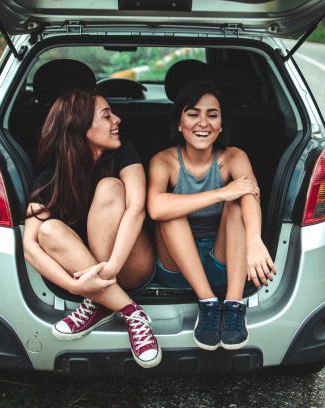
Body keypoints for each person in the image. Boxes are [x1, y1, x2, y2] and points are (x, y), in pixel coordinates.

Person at [23, 88, 161, 368]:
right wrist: (76, 285)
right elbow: (30, 246)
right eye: (107, 115)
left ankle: (99, 301)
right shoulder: (51, 175)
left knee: (110, 187)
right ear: (81, 127)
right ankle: (130, 312)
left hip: (131, 263)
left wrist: (109, 271)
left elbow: (137, 210)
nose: (117, 120)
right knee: (47, 231)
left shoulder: (125, 153)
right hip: (87, 276)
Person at [147, 80, 276, 351]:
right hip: (177, 268)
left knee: (238, 203)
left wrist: (254, 241)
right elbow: (156, 208)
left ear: (221, 126)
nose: (202, 123)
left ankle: (232, 304)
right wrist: (221, 193)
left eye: (212, 115)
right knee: (171, 211)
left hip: (225, 265)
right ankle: (207, 303)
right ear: (179, 124)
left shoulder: (234, 156)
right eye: (193, 114)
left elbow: (251, 195)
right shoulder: (163, 161)